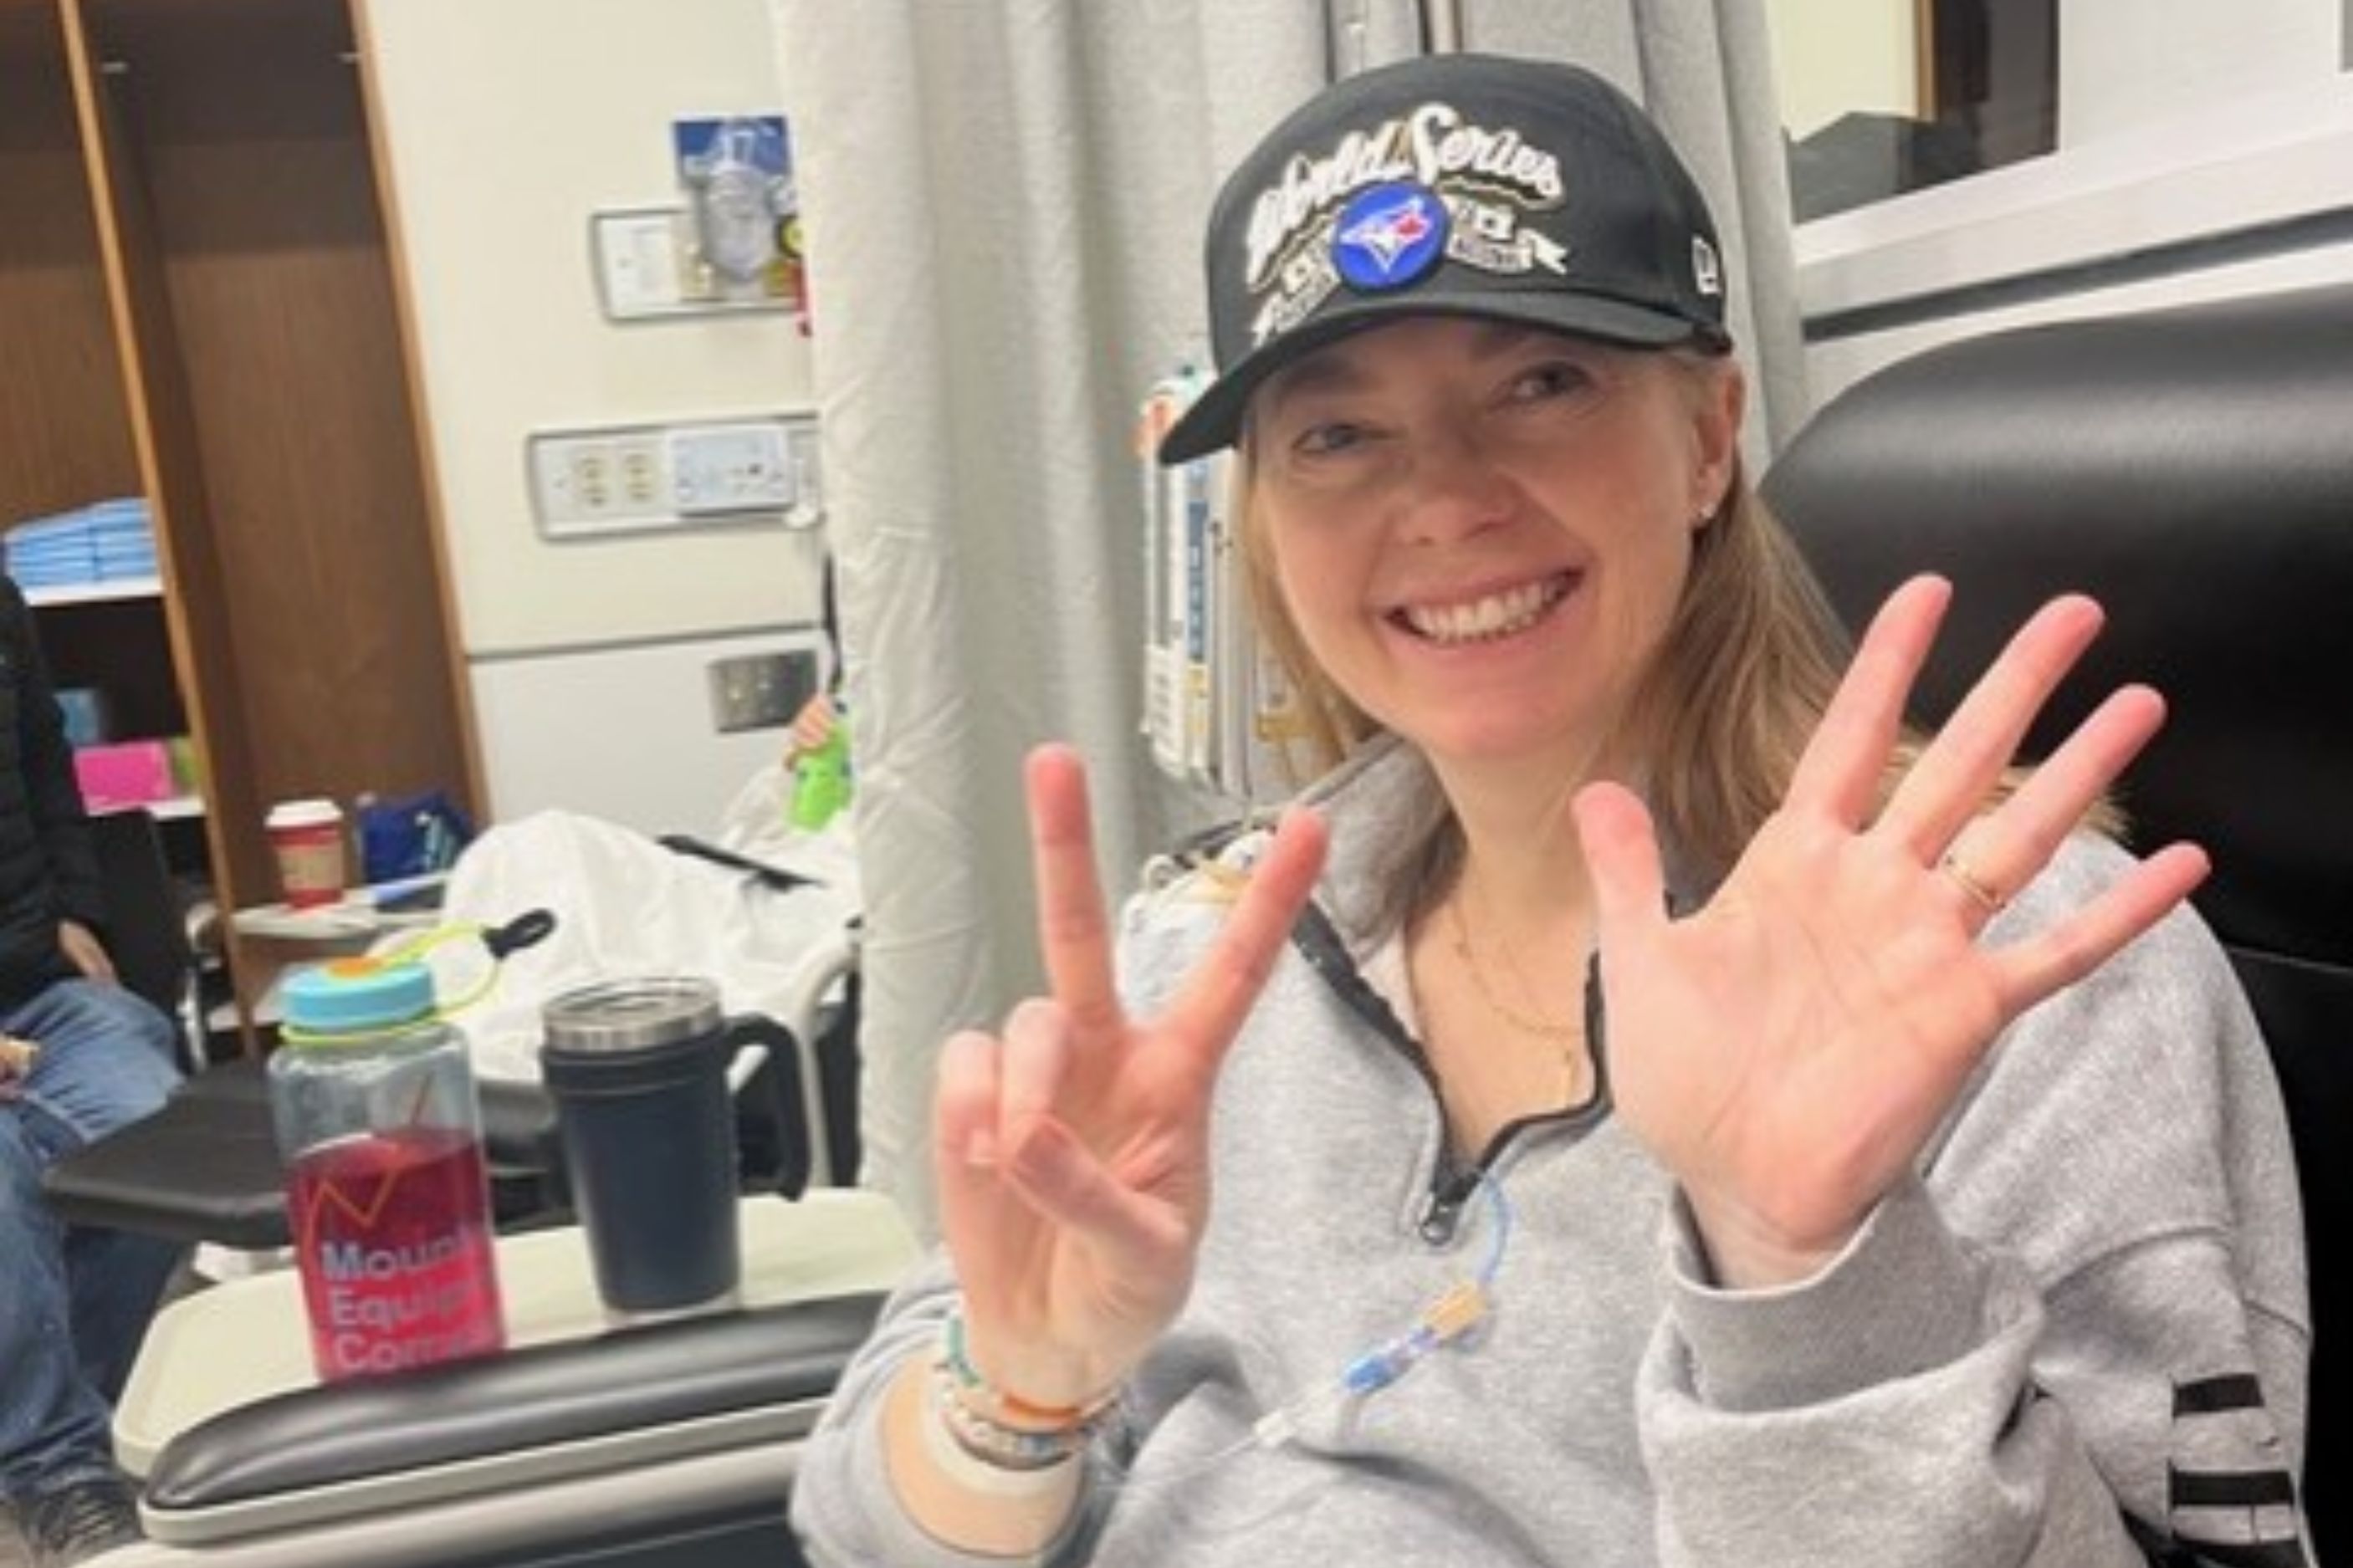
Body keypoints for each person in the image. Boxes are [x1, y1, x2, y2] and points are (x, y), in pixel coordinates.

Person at [791, 54, 2310, 1568]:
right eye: (1335, 434)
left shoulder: (2016, 973)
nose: (1444, 500)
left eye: (1539, 384)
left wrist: (1808, 1279)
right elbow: (867, 1524)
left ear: (1708, 437)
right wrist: (1024, 1396)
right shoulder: (1222, 932)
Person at [0, 574, 184, 1567]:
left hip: (32, 981)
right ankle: (56, 1475)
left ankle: (68, 1408)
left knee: (158, 1138)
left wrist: (74, 907)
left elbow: (41, 759)